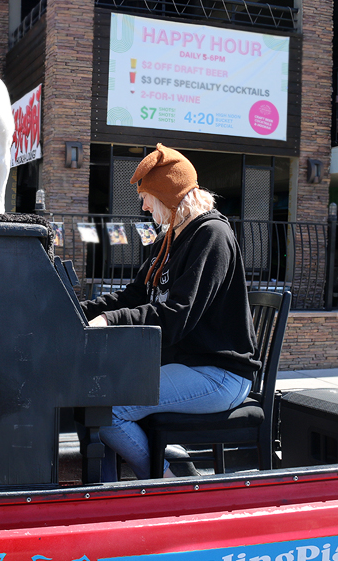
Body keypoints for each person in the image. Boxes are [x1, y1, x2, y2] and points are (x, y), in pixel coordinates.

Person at [80, 144, 260, 481]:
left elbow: (177, 315)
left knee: (107, 409)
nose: (144, 206)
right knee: (96, 397)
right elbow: (133, 295)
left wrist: (109, 320)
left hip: (219, 374)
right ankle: (107, 490)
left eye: (147, 197)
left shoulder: (212, 235)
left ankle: (169, 484)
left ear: (169, 196)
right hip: (189, 366)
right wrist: (80, 309)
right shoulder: (171, 238)